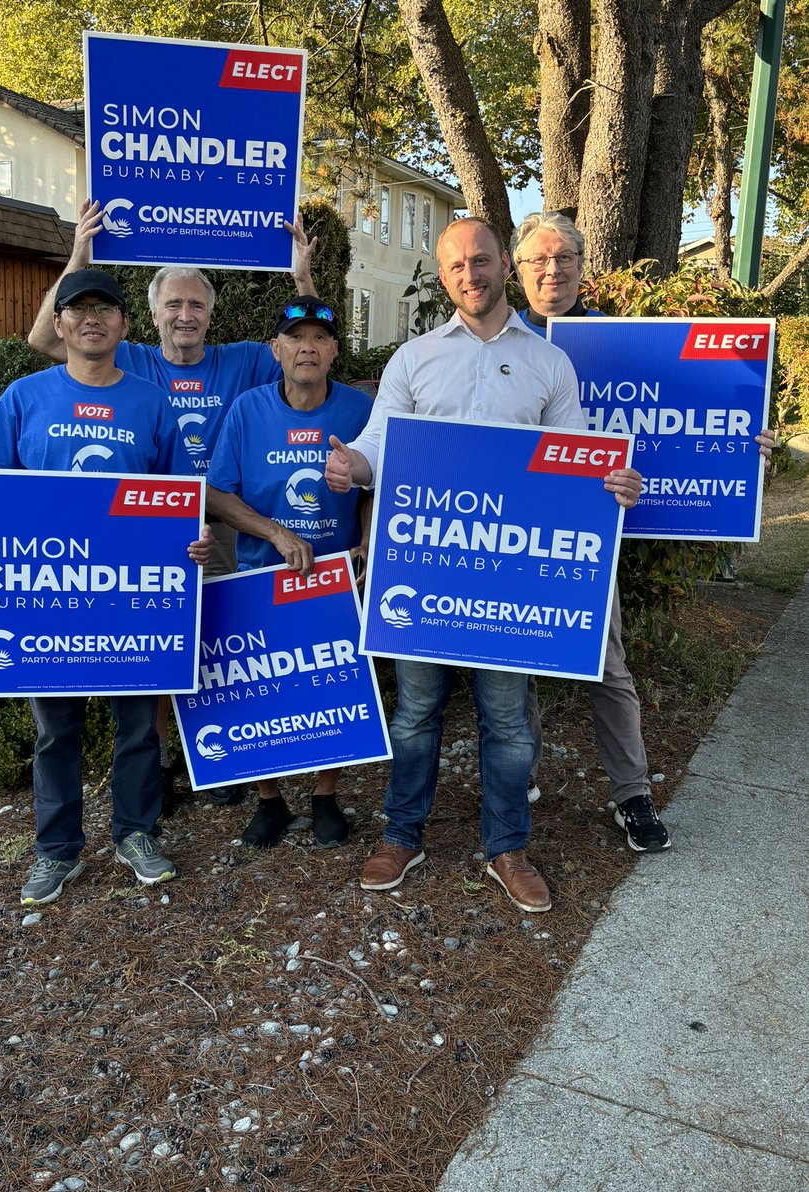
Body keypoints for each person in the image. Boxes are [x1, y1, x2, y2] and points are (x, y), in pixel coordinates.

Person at [324, 217, 643, 913]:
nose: (471, 274)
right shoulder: (413, 359)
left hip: (505, 580)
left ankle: (507, 847)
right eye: (456, 266)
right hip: (425, 571)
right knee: (414, 715)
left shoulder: (548, 364)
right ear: (444, 278)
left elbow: (574, 461)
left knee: (506, 722)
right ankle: (402, 834)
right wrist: (353, 463)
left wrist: (612, 482)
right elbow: (379, 444)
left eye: (481, 260)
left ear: (505, 263)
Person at [27, 200, 319, 807]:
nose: (186, 316)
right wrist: (79, 254)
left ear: (211, 315)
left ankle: (220, 758)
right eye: (174, 305)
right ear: (150, 317)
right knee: (157, 650)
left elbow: (306, 342)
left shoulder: (239, 361)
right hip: (145, 531)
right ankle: (158, 768)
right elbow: (40, 339)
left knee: (221, 644)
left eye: (197, 306)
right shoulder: (126, 361)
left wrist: (300, 278)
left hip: (222, 525)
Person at [510, 210, 777, 853]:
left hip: (589, 541)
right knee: (510, 669)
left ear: (582, 266)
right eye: (538, 260)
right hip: (508, 537)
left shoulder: (619, 342)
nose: (552, 270)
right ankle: (514, 781)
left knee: (609, 670)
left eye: (565, 258)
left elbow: (686, 417)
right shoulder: (490, 343)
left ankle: (632, 796)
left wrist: (747, 448)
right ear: (518, 272)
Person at [0, 269, 213, 905]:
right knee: (56, 733)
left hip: (133, 603)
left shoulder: (153, 404)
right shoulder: (24, 397)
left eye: (106, 310)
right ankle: (57, 850)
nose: (92, 319)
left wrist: (194, 541)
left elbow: (179, 501)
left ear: (125, 327)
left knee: (137, 729)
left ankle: (135, 834)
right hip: (49, 600)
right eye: (79, 310)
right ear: (59, 324)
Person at [207, 297, 373, 850]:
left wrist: (370, 539)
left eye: (320, 339)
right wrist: (275, 532)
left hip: (337, 575)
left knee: (335, 686)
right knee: (261, 688)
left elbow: (383, 481)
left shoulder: (360, 409)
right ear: (275, 350)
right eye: (295, 338)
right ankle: (269, 800)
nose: (308, 347)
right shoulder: (247, 410)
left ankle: (326, 794)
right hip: (262, 573)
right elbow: (216, 493)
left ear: (333, 350)